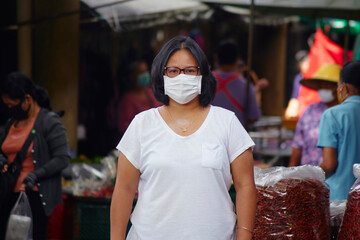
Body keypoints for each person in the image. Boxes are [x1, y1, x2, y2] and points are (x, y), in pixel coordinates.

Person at [110, 36, 256, 240]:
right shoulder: (142, 124)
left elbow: (245, 185)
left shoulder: (227, 123)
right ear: (161, 76)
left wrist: (244, 235)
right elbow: (124, 189)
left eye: (189, 70)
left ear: (203, 74)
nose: (181, 76)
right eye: (173, 71)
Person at [0, 72, 70, 240]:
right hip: (9, 194)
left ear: (27, 100)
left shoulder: (49, 122)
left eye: (12, 105)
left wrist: (36, 175)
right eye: (7, 105)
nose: (10, 109)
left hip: (35, 197)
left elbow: (62, 159)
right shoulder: (12, 123)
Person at [317, 61, 360, 200]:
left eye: (339, 85)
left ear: (345, 87)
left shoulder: (332, 115)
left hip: (340, 198)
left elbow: (329, 164)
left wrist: (308, 174)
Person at [289, 64, 341, 167]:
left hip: (335, 177)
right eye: (321, 86)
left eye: (327, 85)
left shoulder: (343, 113)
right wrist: (291, 173)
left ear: (338, 87)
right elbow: (298, 144)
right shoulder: (311, 110)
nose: (323, 89)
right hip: (308, 175)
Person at [212, 39, 261, 127]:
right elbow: (254, 117)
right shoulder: (246, 86)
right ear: (238, 59)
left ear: (216, 58)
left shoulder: (203, 82)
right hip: (235, 137)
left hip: (209, 136)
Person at [117, 60, 162, 135]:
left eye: (146, 71)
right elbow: (125, 126)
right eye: (141, 72)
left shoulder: (152, 92)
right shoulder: (127, 100)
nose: (145, 75)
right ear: (132, 76)